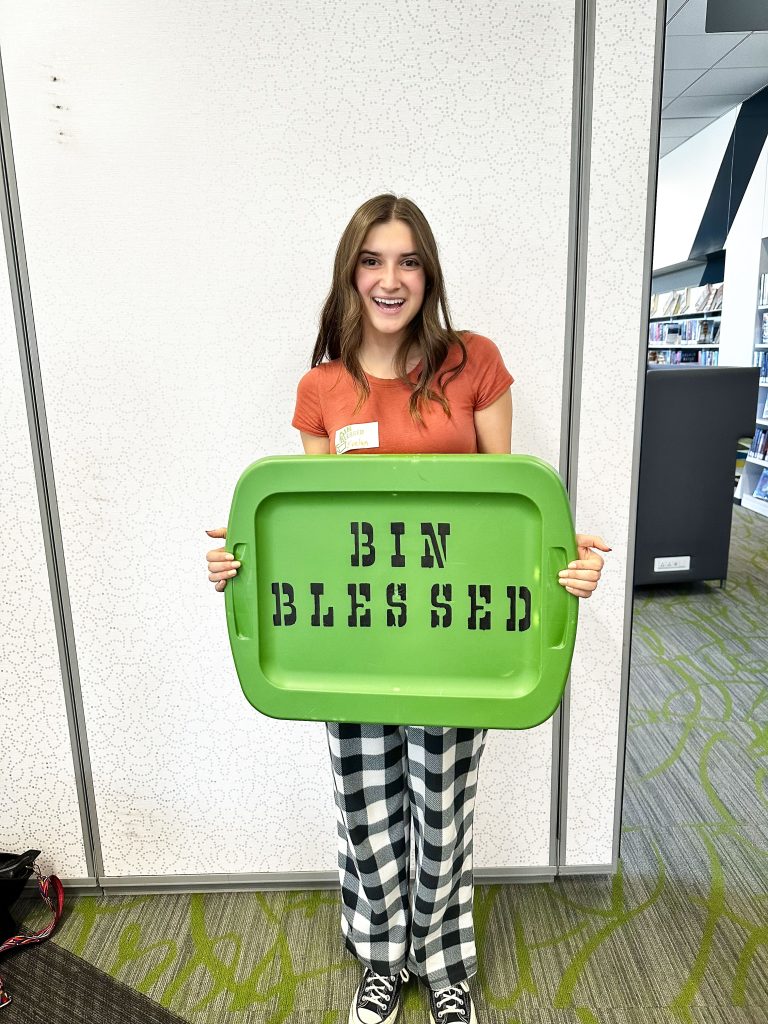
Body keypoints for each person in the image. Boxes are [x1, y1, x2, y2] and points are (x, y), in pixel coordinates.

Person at [206, 194, 609, 1024]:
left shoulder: (474, 364)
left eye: (409, 261)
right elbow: (311, 531)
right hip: (349, 646)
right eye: (373, 260)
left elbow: (513, 508)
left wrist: (561, 565)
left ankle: (446, 966)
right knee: (366, 813)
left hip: (453, 644)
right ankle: (382, 961)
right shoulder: (320, 389)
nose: (391, 280)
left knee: (443, 809)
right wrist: (240, 564)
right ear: (350, 273)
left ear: (428, 274)